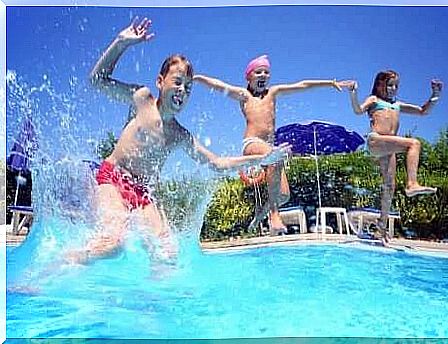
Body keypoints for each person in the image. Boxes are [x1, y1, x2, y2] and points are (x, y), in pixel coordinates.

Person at [67, 18, 290, 264]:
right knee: (113, 244)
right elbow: (96, 80)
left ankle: (153, 301)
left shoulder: (179, 135)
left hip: (142, 194)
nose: (183, 90)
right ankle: (60, 265)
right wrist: (121, 43)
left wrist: (263, 159)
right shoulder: (142, 100)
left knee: (168, 254)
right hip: (112, 178)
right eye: (177, 82)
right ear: (160, 82)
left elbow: (217, 164)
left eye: (188, 88)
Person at [194, 55, 348, 235]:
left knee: (284, 195)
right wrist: (197, 78)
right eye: (258, 72)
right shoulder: (244, 96)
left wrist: (329, 83)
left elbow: (302, 85)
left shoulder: (273, 93)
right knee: (276, 155)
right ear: (249, 76)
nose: (263, 75)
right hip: (252, 143)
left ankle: (261, 212)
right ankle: (274, 215)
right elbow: (219, 85)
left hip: (270, 149)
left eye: (266, 72)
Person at [346, 70, 443, 243]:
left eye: (396, 85)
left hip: (388, 148)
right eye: (390, 85)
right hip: (376, 141)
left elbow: (423, 111)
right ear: (379, 85)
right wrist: (353, 93)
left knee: (389, 186)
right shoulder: (374, 100)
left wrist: (435, 95)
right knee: (414, 143)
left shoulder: (397, 104)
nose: (393, 88)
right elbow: (358, 110)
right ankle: (412, 183)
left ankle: (381, 229)